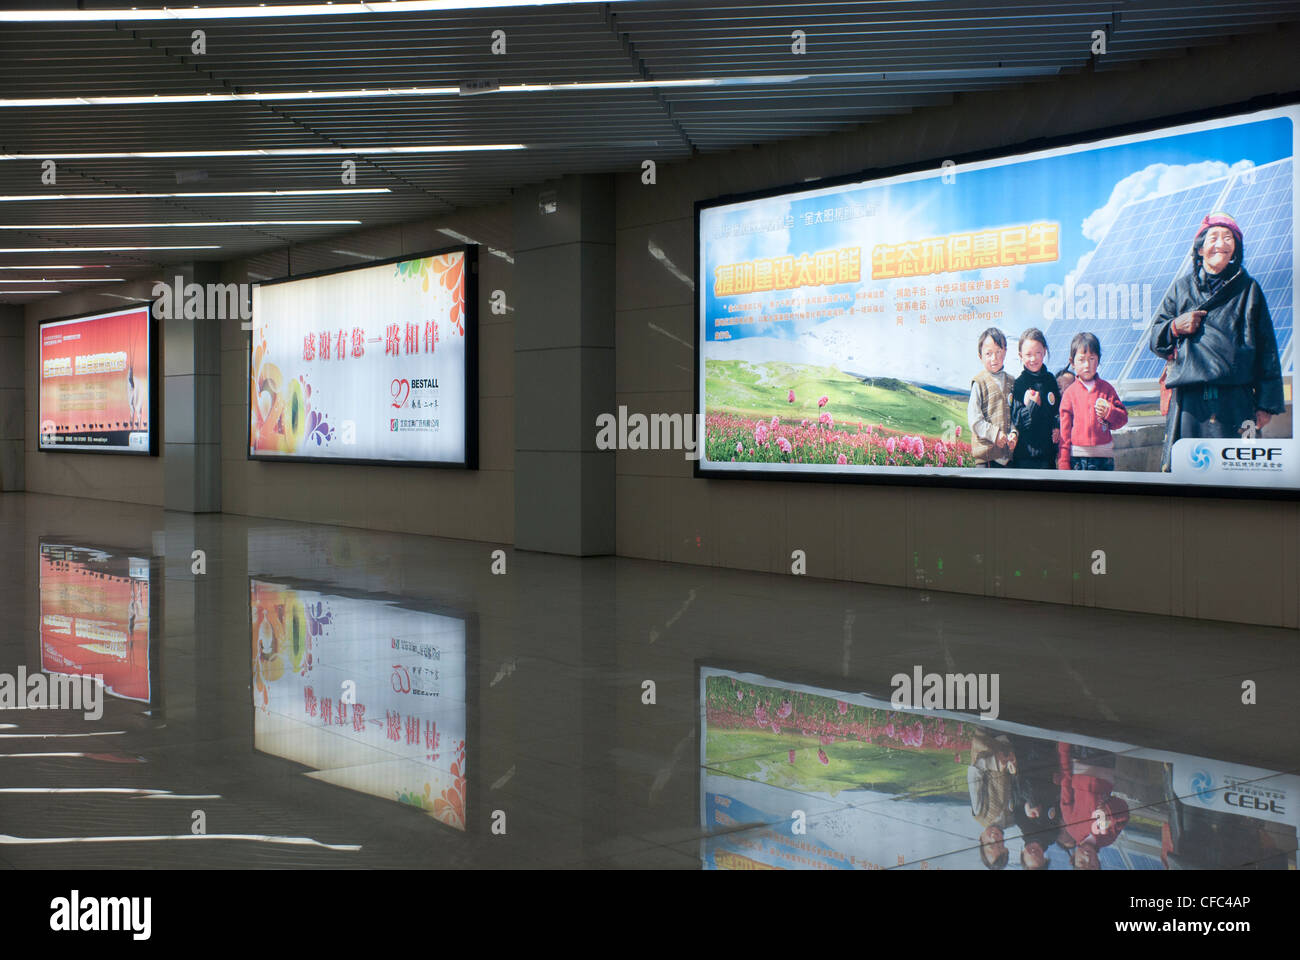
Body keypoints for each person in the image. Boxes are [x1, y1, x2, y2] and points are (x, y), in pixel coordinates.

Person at [1149, 212, 1285, 472]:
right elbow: (1155, 339)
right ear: (1200, 248)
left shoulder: (1249, 289)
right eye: (1213, 237)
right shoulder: (1181, 289)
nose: (1220, 244)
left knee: (1241, 478)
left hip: (1237, 401)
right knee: (1188, 475)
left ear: (1235, 248)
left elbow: (1267, 349)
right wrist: (1175, 326)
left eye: (1228, 238)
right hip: (1190, 403)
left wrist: (1266, 405)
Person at [1057, 332, 1128, 470]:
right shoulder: (1069, 394)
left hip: (1104, 459)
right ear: (1072, 362)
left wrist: (1110, 412)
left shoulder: (1107, 390)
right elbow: (1064, 434)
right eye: (1081, 360)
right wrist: (1064, 463)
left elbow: (1122, 419)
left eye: (1091, 358)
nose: (1087, 365)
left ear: (1098, 360)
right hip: (1078, 460)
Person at [1009, 328, 1061, 470]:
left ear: (1044, 351)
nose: (1033, 359)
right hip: (1025, 457)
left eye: (1038, 353)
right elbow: (1018, 420)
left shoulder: (1050, 379)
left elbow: (1057, 410)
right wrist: (1032, 405)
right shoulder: (1019, 383)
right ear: (1020, 356)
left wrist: (1057, 425)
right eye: (1028, 354)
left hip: (1048, 455)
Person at [968, 328, 1016, 468]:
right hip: (986, 458)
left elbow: (1015, 415)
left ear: (1005, 351)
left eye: (998, 352)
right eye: (988, 354)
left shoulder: (1012, 382)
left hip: (1008, 459)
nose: (994, 358)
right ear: (980, 356)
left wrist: (1013, 433)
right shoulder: (979, 383)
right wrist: (994, 434)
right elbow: (975, 420)